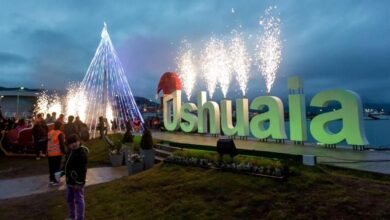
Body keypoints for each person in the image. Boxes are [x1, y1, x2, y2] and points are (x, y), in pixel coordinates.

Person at [63, 134, 88, 220]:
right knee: (70, 199)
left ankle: (80, 218)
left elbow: (82, 170)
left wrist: (79, 182)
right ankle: (72, 216)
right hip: (69, 181)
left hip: (77, 183)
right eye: (71, 143)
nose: (74, 144)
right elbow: (66, 164)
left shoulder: (82, 154)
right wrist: (62, 171)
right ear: (68, 145)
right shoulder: (70, 152)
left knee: (79, 200)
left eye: (75, 141)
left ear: (79, 141)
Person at [47, 121, 65, 185]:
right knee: (56, 167)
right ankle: (56, 181)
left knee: (51, 167)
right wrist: (64, 151)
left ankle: (51, 180)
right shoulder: (59, 133)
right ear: (60, 126)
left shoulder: (49, 133)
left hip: (49, 153)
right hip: (57, 153)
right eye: (62, 126)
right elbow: (61, 144)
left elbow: (48, 142)